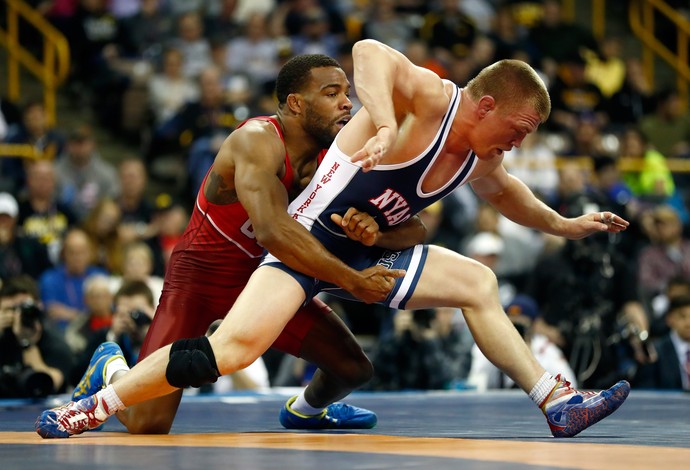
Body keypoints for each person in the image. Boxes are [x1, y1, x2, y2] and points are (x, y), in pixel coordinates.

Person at [36, 39, 631, 440]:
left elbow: (507, 196)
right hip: (295, 248)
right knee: (231, 353)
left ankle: (556, 403)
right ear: (485, 103)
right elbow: (370, 50)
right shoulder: (427, 101)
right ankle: (96, 403)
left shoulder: (478, 159)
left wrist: (568, 225)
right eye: (518, 129)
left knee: (476, 282)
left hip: (351, 250)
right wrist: (388, 118)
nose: (517, 145)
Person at [37, 53, 411, 437]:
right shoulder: (256, 140)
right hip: (198, 278)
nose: (347, 103)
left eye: (347, 93)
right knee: (148, 423)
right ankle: (111, 366)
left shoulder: (332, 158)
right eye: (332, 93)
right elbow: (271, 231)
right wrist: (352, 279)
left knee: (354, 368)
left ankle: (305, 411)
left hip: (261, 279)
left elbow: (411, 224)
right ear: (296, 104)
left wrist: (376, 229)